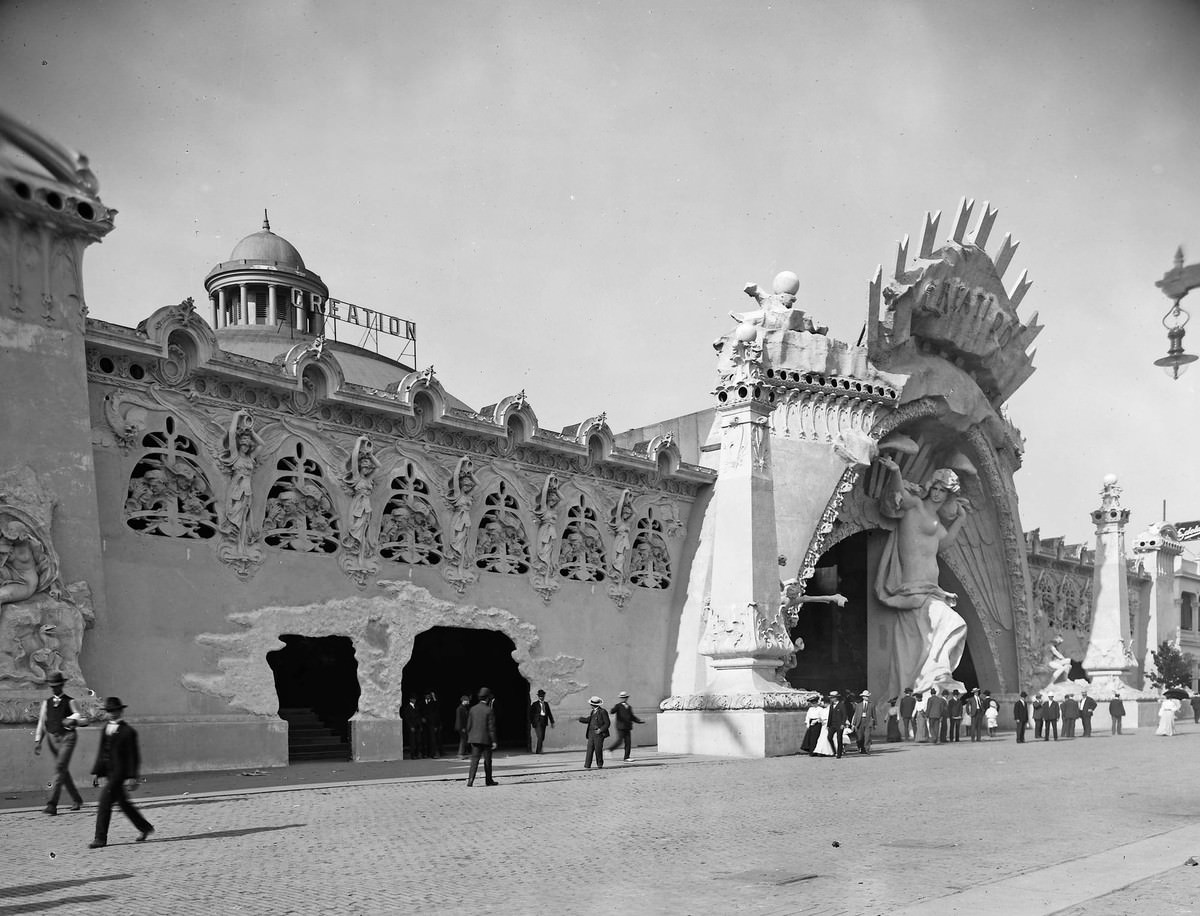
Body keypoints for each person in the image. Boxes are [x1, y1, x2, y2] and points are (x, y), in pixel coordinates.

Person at [874, 459, 972, 697]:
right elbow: (898, 494)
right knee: (954, 622)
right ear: (930, 487)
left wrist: (960, 519)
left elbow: (943, 545)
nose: (938, 494)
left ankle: (934, 673)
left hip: (931, 589)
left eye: (944, 491)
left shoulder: (936, 522)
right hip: (914, 588)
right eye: (936, 488)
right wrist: (896, 472)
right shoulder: (915, 505)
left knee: (925, 641)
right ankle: (938, 670)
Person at [88, 697, 153, 849]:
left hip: (120, 773)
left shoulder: (128, 732)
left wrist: (132, 777)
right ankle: (145, 827)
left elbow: (133, 756)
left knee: (104, 802)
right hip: (109, 772)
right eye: (108, 711)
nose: (111, 714)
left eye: (114, 711)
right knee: (124, 804)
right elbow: (101, 752)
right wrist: (97, 772)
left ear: (120, 711)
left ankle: (100, 838)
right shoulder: (105, 729)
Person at [33, 671, 87, 815]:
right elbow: (42, 722)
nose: (54, 688)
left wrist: (73, 719)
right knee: (62, 770)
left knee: (59, 768)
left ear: (62, 685)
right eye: (52, 686)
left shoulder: (70, 701)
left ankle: (52, 804)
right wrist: (38, 740)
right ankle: (76, 799)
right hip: (52, 738)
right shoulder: (47, 702)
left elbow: (81, 718)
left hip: (68, 737)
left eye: (57, 685)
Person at [465, 687, 498, 786]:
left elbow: (468, 726)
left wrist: (470, 737)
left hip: (475, 739)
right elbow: (491, 727)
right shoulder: (489, 710)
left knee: (474, 760)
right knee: (487, 761)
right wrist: (494, 741)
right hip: (486, 739)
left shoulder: (472, 709)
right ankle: (488, 780)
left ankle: (470, 780)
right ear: (487, 698)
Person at [607, 692, 644, 761]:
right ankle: (609, 750)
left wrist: (639, 721)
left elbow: (632, 717)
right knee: (620, 740)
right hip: (620, 726)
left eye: (625, 697)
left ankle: (627, 757)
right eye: (622, 698)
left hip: (627, 726)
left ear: (627, 698)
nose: (623, 699)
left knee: (628, 742)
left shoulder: (629, 707)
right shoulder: (618, 706)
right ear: (620, 698)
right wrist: (613, 710)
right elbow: (612, 711)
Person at [578, 696, 610, 769]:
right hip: (591, 734)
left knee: (598, 749)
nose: (590, 705)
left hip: (599, 734)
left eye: (591, 704)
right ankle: (587, 765)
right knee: (589, 749)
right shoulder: (592, 711)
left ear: (593, 705)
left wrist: (600, 730)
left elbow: (607, 723)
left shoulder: (603, 711)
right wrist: (580, 719)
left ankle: (600, 764)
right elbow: (589, 719)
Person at [528, 689, 556, 754]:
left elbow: (549, 713)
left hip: (544, 721)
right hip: (537, 722)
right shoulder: (535, 704)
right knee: (540, 736)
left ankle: (540, 749)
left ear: (544, 696)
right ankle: (538, 751)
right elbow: (530, 714)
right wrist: (532, 722)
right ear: (538, 696)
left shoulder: (546, 704)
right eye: (540, 696)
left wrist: (552, 722)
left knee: (542, 737)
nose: (541, 697)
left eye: (542, 696)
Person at [852, 690, 876, 755]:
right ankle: (861, 748)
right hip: (860, 721)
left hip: (868, 721)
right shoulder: (859, 705)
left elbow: (874, 714)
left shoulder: (871, 704)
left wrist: (875, 723)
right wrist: (854, 724)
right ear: (863, 697)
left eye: (867, 696)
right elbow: (856, 714)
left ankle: (867, 749)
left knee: (867, 736)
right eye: (865, 696)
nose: (867, 697)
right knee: (860, 737)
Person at [826, 691, 847, 758]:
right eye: (831, 698)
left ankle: (839, 753)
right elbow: (830, 715)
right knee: (829, 737)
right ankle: (834, 751)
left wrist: (843, 724)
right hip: (832, 724)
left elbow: (844, 715)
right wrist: (828, 725)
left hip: (839, 724)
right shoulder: (831, 705)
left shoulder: (841, 705)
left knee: (839, 739)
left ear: (836, 698)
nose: (831, 699)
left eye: (833, 698)